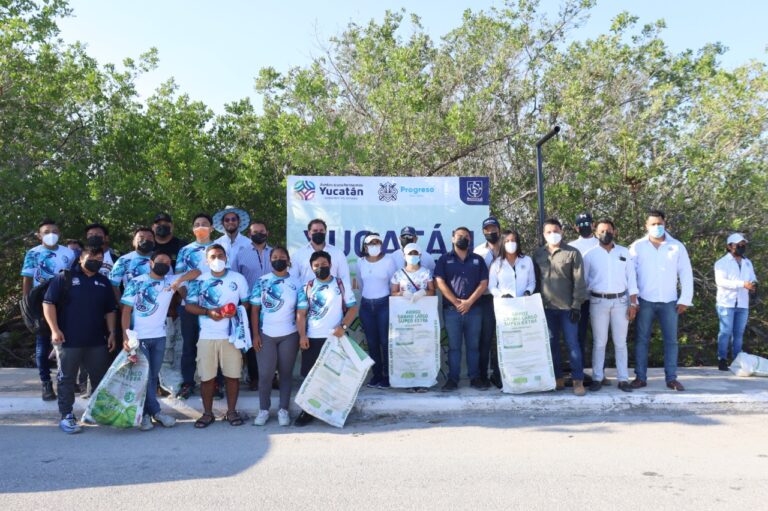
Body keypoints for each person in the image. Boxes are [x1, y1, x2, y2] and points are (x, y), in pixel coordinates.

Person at [42, 247, 118, 434]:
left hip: (97, 340)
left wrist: (112, 333)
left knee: (100, 378)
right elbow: (48, 303)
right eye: (92, 257)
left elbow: (110, 309)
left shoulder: (103, 281)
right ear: (81, 258)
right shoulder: (64, 278)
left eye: (100, 258)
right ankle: (67, 415)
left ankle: (96, 412)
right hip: (68, 339)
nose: (97, 261)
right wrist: (54, 330)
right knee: (66, 378)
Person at [184, 244, 250, 428]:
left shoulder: (238, 278)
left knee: (232, 376)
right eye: (213, 256)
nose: (217, 259)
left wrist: (235, 311)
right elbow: (189, 306)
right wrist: (207, 312)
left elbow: (247, 303)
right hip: (206, 336)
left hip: (232, 336)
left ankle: (231, 412)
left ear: (226, 258)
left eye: (220, 256)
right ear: (207, 260)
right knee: (207, 378)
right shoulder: (199, 280)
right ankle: (207, 413)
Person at [629, 209, 693, 391]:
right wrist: (633, 300)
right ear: (646, 226)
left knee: (671, 341)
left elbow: (686, 273)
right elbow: (630, 275)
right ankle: (640, 377)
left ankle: (671, 378)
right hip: (645, 300)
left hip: (670, 302)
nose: (657, 227)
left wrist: (685, 299)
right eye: (653, 224)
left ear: (665, 224)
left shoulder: (677, 246)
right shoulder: (637, 247)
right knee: (641, 340)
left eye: (660, 224)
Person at [295, 250, 358, 426]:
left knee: (335, 376)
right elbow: (301, 314)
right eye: (316, 266)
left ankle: (334, 411)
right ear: (311, 267)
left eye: (324, 265)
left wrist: (343, 326)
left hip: (334, 338)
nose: (320, 268)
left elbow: (353, 309)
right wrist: (302, 335)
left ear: (330, 265)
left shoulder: (341, 284)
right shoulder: (306, 287)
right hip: (312, 338)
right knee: (310, 377)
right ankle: (307, 411)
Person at [120, 252, 180, 431]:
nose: (164, 264)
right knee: (143, 378)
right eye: (160, 261)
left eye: (168, 262)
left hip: (160, 337)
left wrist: (178, 281)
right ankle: (148, 413)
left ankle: (152, 412)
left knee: (153, 376)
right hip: (139, 338)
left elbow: (196, 273)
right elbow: (125, 311)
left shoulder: (169, 281)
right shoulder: (137, 282)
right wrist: (125, 336)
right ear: (151, 262)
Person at [250, 247, 308, 427]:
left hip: (289, 335)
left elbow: (301, 312)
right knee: (265, 374)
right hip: (266, 334)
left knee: (285, 374)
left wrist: (301, 335)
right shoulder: (261, 281)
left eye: (282, 257)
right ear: (270, 260)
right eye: (275, 257)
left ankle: (283, 410)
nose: (279, 260)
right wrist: (255, 335)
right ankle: (264, 410)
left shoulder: (297, 283)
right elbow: (255, 309)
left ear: (288, 260)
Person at [20, 219, 76, 401]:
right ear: (39, 235)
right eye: (46, 231)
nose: (50, 234)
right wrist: (27, 304)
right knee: (43, 344)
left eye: (54, 230)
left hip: (64, 301)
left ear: (59, 233)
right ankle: (46, 382)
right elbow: (27, 279)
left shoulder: (69, 253)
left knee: (67, 343)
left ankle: (66, 379)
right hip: (40, 301)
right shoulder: (33, 253)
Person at [582, 219, 638, 392]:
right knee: (600, 342)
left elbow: (632, 279)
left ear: (615, 232)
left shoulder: (624, 252)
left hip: (621, 302)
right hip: (598, 302)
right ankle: (597, 377)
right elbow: (583, 282)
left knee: (620, 342)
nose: (606, 233)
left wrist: (633, 303)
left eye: (609, 230)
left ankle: (623, 379)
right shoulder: (589, 255)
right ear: (596, 232)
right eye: (602, 231)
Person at [533, 218, 588, 396]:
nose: (552, 234)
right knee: (552, 345)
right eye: (548, 232)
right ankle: (557, 379)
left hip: (568, 309)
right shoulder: (538, 254)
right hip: (547, 309)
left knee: (573, 345)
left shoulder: (572, 253)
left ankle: (578, 381)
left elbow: (580, 281)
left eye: (555, 230)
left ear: (562, 231)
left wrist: (576, 305)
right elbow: (535, 281)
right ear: (543, 234)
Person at [434, 227, 489, 391]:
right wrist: (457, 303)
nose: (463, 238)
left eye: (466, 236)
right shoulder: (444, 260)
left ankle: (475, 378)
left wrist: (469, 302)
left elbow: (484, 283)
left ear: (470, 240)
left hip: (474, 310)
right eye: (459, 236)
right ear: (452, 239)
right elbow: (439, 282)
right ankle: (452, 379)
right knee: (454, 347)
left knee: (473, 346)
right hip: (452, 311)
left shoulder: (478, 260)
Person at [175, 213, 216, 400]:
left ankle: (216, 383)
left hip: (214, 306)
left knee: (215, 345)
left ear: (212, 228)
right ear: (192, 229)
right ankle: (188, 383)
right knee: (189, 345)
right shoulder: (185, 250)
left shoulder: (219, 249)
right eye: (197, 224)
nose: (201, 227)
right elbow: (179, 277)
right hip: (189, 306)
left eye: (204, 224)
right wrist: (187, 299)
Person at [390, 243, 436, 392]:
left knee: (422, 347)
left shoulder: (426, 272)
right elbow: (393, 293)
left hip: (422, 318)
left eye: (415, 253)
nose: (412, 256)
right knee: (406, 348)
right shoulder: (398, 274)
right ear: (404, 256)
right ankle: (408, 382)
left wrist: (422, 293)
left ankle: (423, 380)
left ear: (420, 256)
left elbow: (432, 291)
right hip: (404, 319)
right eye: (410, 253)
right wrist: (403, 294)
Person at [234, 219, 274, 390]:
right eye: (255, 232)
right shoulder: (241, 254)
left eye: (262, 231)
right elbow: (235, 279)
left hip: (273, 305)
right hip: (250, 306)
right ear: (249, 235)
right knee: (253, 343)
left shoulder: (275, 253)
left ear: (267, 233)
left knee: (272, 341)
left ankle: (273, 377)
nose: (259, 234)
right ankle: (255, 377)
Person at [356, 233, 397, 388]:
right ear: (365, 247)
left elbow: (393, 282)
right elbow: (360, 283)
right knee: (372, 343)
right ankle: (376, 375)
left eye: (377, 242)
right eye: (371, 243)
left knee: (385, 342)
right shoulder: (360, 263)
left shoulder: (388, 261)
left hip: (384, 304)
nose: (374, 245)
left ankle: (387, 376)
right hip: (366, 306)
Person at [714, 233, 757, 370]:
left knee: (739, 333)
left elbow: (753, 278)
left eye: (743, 244)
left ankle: (737, 360)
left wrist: (753, 285)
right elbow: (721, 282)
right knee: (725, 332)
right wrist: (742, 284)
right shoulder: (721, 263)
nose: (741, 246)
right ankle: (722, 359)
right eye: (738, 244)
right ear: (729, 246)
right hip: (726, 303)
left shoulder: (747, 262)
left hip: (743, 303)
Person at [568, 212, 599, 383]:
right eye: (581, 223)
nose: (585, 225)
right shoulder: (571, 246)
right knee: (579, 337)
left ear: (593, 225)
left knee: (599, 338)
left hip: (599, 297)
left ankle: (598, 374)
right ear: (575, 227)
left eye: (588, 222)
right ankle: (579, 373)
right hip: (580, 300)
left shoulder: (601, 243)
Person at [474, 216, 503, 388]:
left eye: (493, 229)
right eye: (487, 230)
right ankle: (483, 375)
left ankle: (500, 374)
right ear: (483, 232)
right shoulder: (478, 251)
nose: (491, 232)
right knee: (485, 339)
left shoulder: (508, 249)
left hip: (506, 300)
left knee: (504, 337)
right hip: (486, 300)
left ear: (499, 230)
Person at [292, 218, 352, 289]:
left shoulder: (338, 253)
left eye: (321, 230)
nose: (318, 233)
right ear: (309, 233)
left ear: (325, 232)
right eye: (315, 231)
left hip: (332, 297)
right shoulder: (298, 254)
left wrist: (346, 297)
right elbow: (293, 279)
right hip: (306, 297)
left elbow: (345, 279)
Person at [109, 227, 156, 301]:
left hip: (157, 306)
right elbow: (113, 285)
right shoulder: (124, 260)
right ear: (134, 242)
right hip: (130, 306)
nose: (146, 240)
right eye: (141, 237)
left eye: (150, 237)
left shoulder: (162, 259)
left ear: (154, 241)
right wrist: (122, 306)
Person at [213, 205, 252, 271]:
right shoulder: (216, 244)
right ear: (222, 223)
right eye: (227, 220)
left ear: (238, 221)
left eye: (233, 219)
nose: (230, 222)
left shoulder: (249, 243)